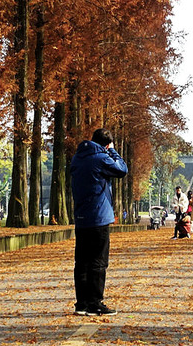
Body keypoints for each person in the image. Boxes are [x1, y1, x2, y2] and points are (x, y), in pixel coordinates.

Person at [70, 128, 128, 316]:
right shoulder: (101, 158)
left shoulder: (77, 158)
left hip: (81, 217)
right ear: (106, 144)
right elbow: (122, 170)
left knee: (82, 262)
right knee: (98, 262)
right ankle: (95, 303)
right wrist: (112, 150)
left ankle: (82, 303)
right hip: (98, 217)